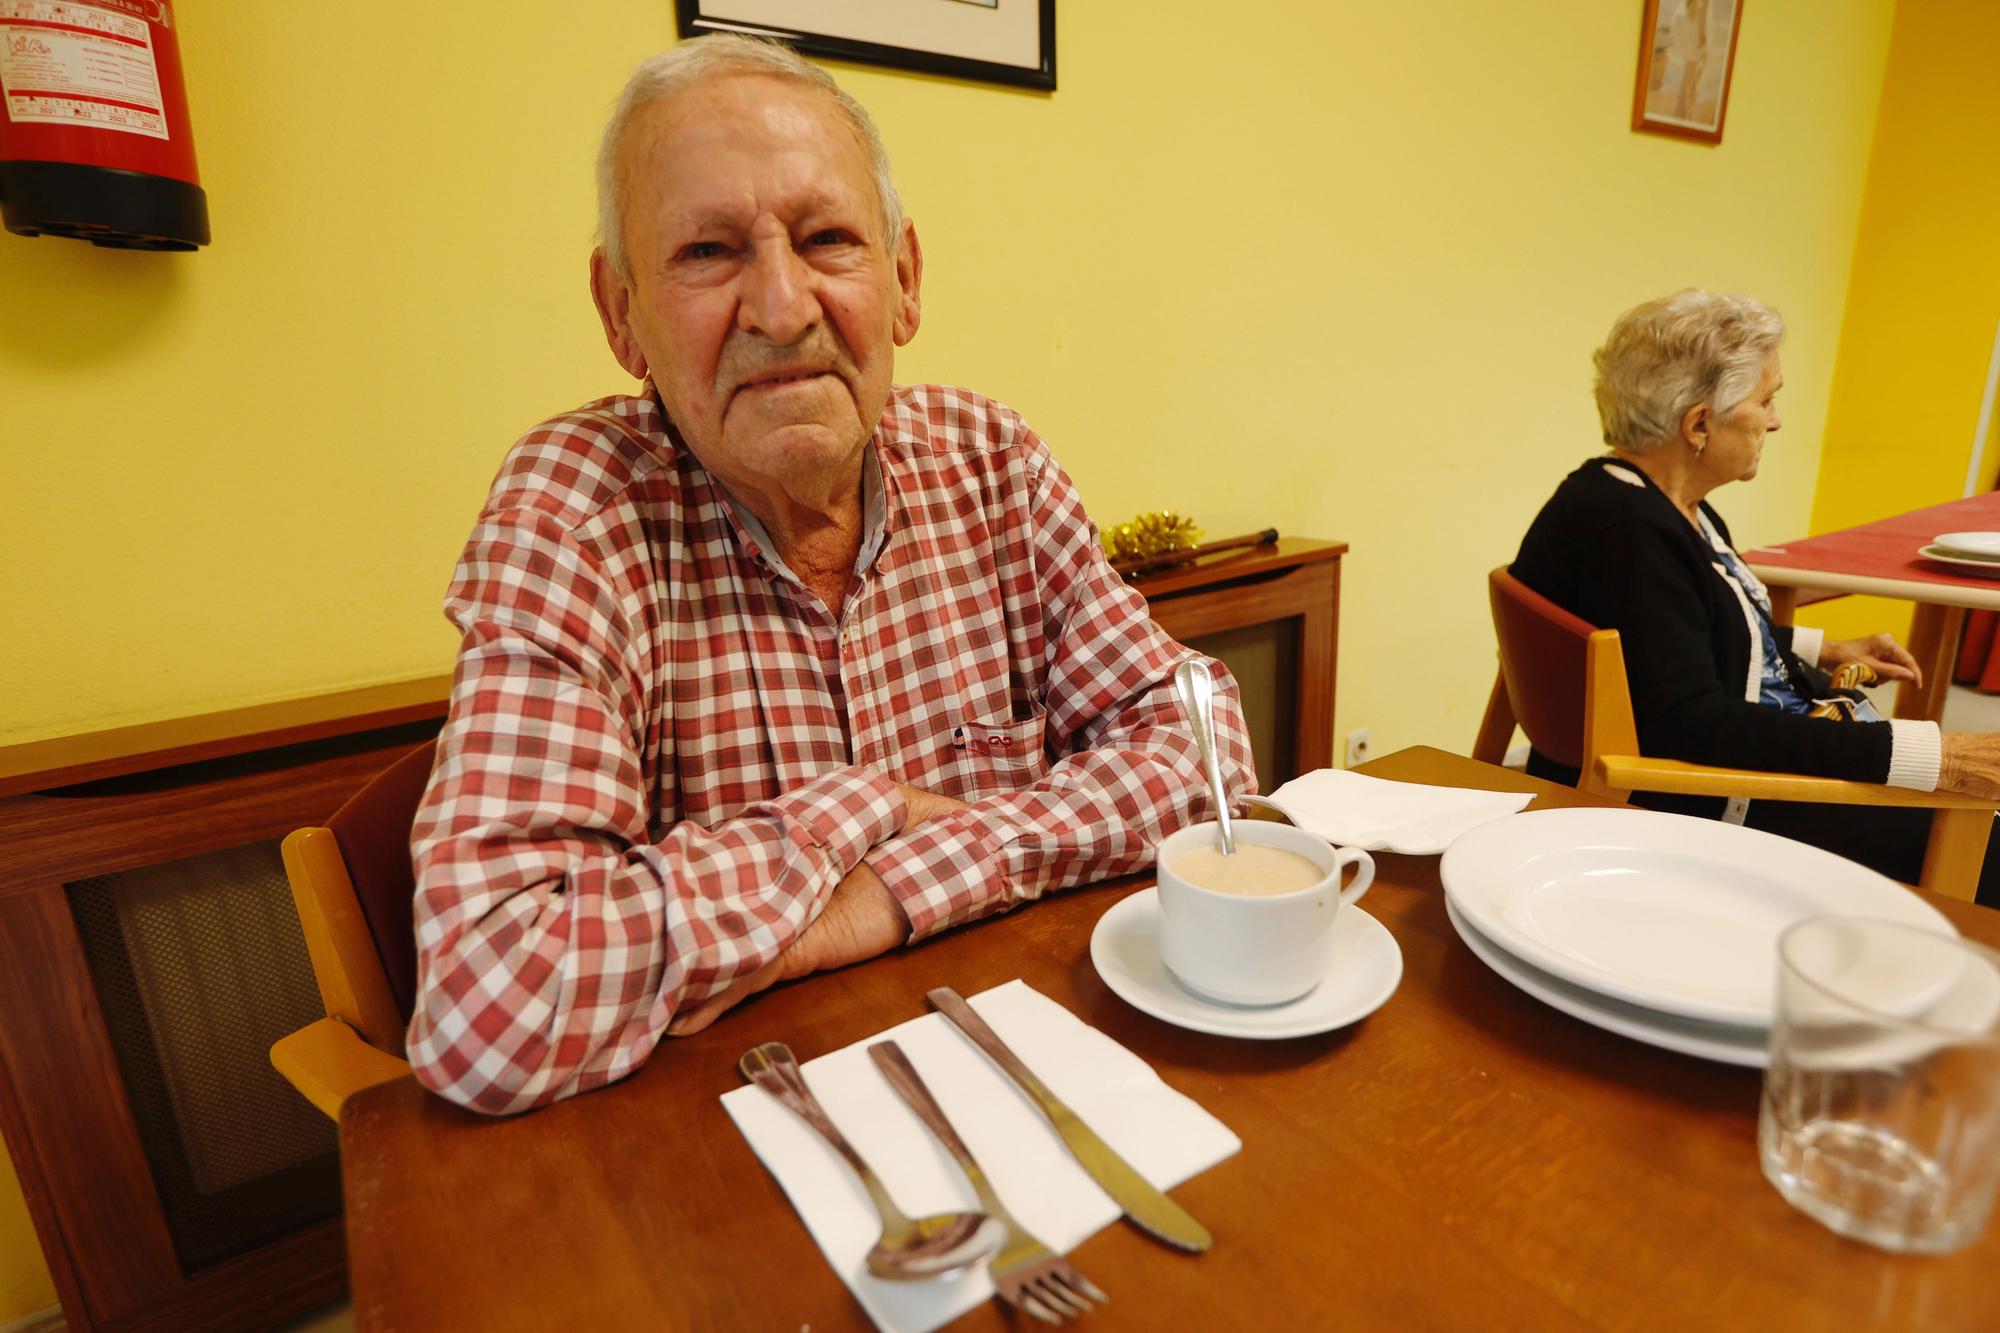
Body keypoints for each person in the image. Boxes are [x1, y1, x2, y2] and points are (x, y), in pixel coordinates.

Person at [403, 36, 1255, 1115]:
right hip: (749, 1140)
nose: (781, 307)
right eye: (708, 251)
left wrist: (891, 889)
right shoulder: (575, 511)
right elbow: (493, 1001)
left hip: (1043, 1072)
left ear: (900, 281)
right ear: (621, 315)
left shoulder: (989, 459)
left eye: (826, 239)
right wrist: (868, 807)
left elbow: (1202, 747)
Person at [1511, 289, 2000, 903]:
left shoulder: (1642, 499)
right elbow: (1699, 725)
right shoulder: (1632, 536)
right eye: (1765, 400)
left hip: (1737, 761)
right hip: (1725, 801)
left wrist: (1820, 647)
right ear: (1698, 425)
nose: (1774, 420)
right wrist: (1931, 754)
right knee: (1985, 831)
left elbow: (1671, 638)